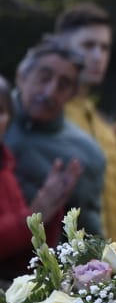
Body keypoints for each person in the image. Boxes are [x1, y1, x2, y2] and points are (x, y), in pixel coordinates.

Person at [56, 2, 116, 255]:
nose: (98, 56)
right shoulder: (49, 119)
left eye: (104, 47)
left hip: (115, 271)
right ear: (62, 47)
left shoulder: (107, 132)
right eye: (88, 45)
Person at [4, 38, 105, 236]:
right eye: (44, 78)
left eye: (63, 85)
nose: (50, 92)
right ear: (21, 76)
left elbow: (89, 236)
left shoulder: (86, 154)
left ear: (73, 94)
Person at [0, 75, 81, 274]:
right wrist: (36, 213)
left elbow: (22, 261)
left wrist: (50, 209)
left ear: (8, 119)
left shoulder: (5, 168)